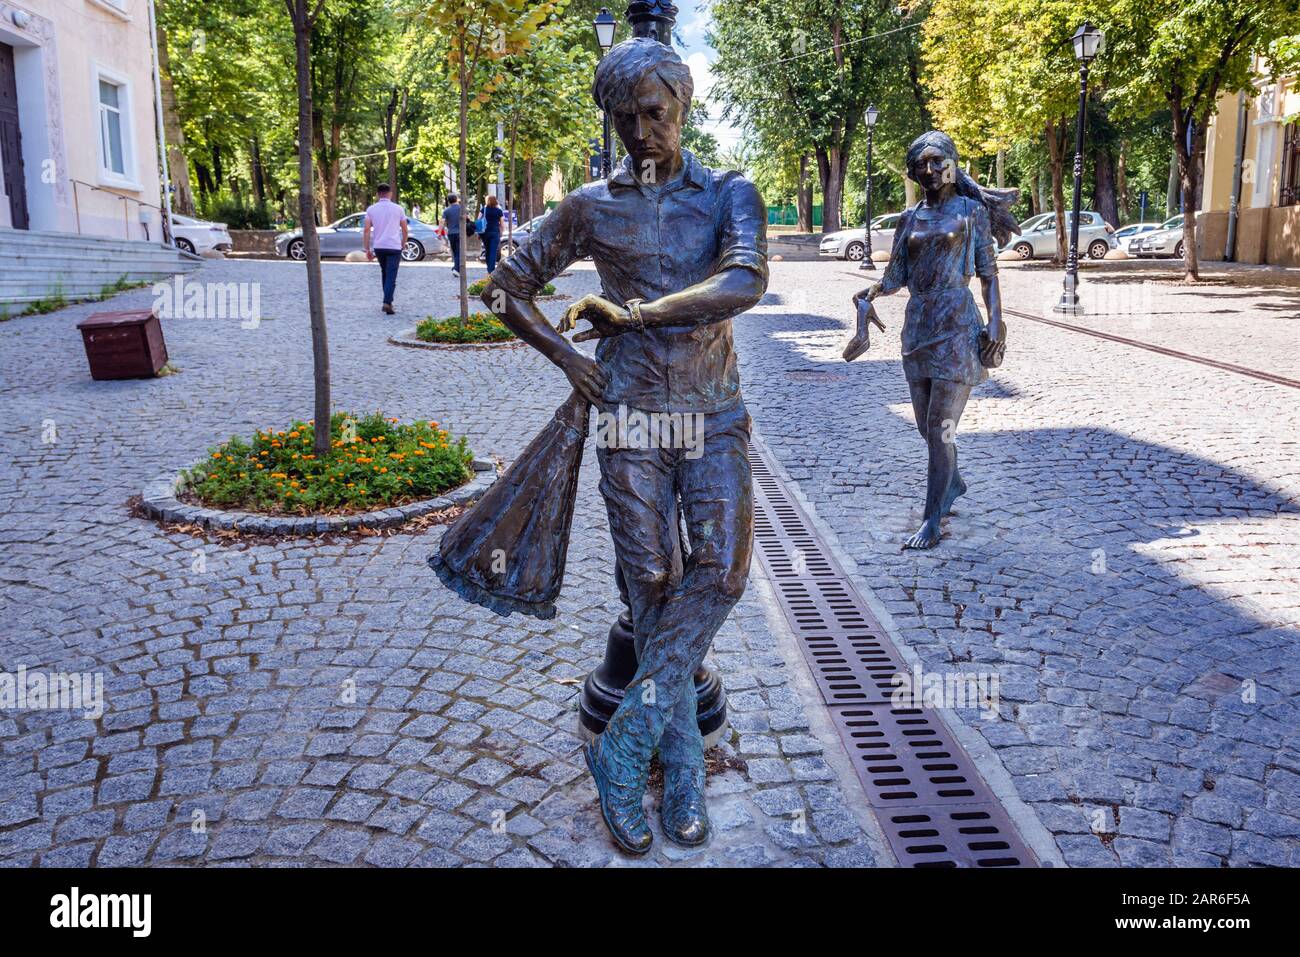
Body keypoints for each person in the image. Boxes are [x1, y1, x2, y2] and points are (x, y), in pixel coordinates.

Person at [482, 37, 767, 854]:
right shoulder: (588, 206)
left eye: (655, 112)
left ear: (682, 106)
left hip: (713, 413)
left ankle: (622, 743)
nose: (642, 132)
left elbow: (745, 280)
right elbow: (506, 284)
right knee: (650, 582)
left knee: (721, 571)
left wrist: (633, 314)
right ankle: (679, 771)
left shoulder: (728, 194)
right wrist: (572, 359)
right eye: (624, 117)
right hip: (633, 416)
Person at [844, 130, 1016, 549]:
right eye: (921, 164)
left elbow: (988, 275)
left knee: (941, 427)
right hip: (919, 324)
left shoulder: (971, 212)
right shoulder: (910, 218)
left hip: (957, 324)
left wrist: (997, 321)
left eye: (938, 161)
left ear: (954, 164)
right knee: (926, 426)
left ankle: (932, 519)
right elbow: (896, 275)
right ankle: (952, 481)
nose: (930, 169)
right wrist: (868, 295)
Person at [363, 184, 408, 315]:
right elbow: (404, 229)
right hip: (394, 246)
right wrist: (403, 243)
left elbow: (366, 229)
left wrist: (367, 249)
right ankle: (387, 302)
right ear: (390, 193)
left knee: (385, 273)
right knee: (391, 275)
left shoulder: (371, 209)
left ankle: (388, 301)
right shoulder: (398, 209)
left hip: (379, 246)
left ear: (377, 194)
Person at [481, 194, 504, 273]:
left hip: (485, 233)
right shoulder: (499, 211)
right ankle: (491, 270)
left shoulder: (483, 209)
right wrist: (501, 232)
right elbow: (502, 223)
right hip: (495, 232)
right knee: (493, 251)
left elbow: (478, 219)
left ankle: (489, 267)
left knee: (487, 250)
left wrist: (478, 232)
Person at [443, 193, 462, 277]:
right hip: (460, 233)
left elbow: (442, 221)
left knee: (454, 251)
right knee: (459, 252)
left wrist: (440, 232)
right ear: (456, 199)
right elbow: (467, 218)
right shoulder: (461, 208)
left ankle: (455, 266)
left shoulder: (446, 210)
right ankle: (457, 269)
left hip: (451, 233)